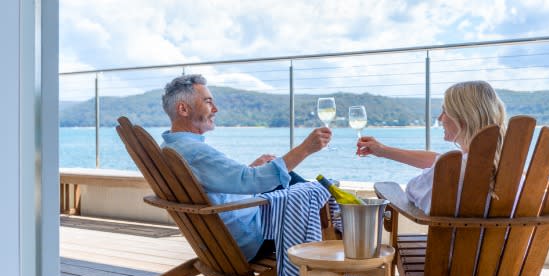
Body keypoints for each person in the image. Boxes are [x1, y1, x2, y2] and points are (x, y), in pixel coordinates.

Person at [160, 74, 332, 261]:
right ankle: (345, 220)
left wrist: (251, 169)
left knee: (287, 180)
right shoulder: (195, 152)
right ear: (183, 109)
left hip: (221, 237)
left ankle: (342, 212)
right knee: (309, 194)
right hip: (249, 237)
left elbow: (217, 186)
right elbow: (252, 181)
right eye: (208, 102)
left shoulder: (171, 148)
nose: (215, 109)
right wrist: (305, 149)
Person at [356, 80, 507, 214]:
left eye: (445, 111)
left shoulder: (452, 171)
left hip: (450, 245)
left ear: (464, 118)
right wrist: (383, 150)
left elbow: (413, 191)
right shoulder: (510, 168)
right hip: (505, 245)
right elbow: (443, 160)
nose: (440, 118)